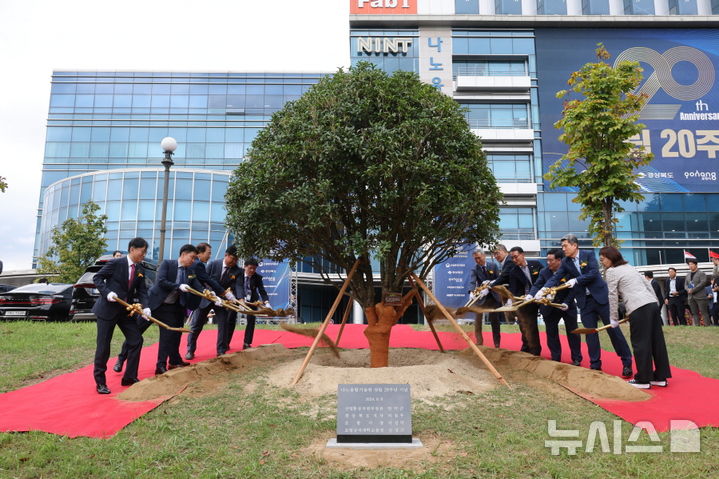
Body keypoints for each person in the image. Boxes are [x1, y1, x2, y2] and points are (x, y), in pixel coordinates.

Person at [537, 234, 633, 377]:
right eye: (562, 246)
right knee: (590, 333)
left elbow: (594, 273)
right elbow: (556, 277)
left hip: (601, 298)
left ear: (574, 245)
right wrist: (544, 289)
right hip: (585, 302)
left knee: (613, 330)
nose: (563, 249)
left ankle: (626, 363)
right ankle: (595, 365)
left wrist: (576, 280)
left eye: (565, 246)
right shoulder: (565, 262)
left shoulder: (588, 254)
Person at [600, 246, 671, 389]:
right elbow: (647, 285)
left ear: (612, 257)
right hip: (651, 305)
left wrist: (613, 318)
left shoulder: (611, 271)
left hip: (639, 307)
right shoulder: (629, 267)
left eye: (603, 258)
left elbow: (612, 295)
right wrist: (655, 303)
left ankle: (643, 380)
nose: (602, 261)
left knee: (640, 342)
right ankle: (660, 377)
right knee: (656, 341)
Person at [91, 237, 150, 394]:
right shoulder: (116, 263)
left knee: (136, 339)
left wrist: (146, 307)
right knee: (104, 346)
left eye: (145, 252)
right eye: (142, 252)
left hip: (125, 311)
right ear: (132, 249)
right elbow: (97, 278)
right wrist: (107, 293)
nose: (143, 255)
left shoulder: (140, 269)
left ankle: (129, 377)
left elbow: (142, 291)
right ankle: (100, 382)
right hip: (107, 309)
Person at [147, 244, 214, 375]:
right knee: (136, 332)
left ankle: (165, 364)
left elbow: (197, 286)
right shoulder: (167, 264)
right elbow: (161, 281)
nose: (193, 261)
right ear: (183, 255)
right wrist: (178, 286)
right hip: (155, 305)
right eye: (192, 257)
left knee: (170, 335)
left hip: (172, 307)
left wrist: (207, 292)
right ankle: (121, 359)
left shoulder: (190, 271)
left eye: (195, 258)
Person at [187, 245, 241, 358]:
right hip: (206, 298)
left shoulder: (237, 270)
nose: (234, 261)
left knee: (223, 324)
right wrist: (213, 295)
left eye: (237, 259)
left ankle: (221, 350)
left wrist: (238, 299)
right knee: (196, 325)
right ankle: (190, 350)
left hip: (222, 301)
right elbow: (205, 280)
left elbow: (238, 286)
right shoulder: (213, 264)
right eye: (233, 258)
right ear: (226, 255)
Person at [530, 249, 582, 366]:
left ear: (559, 260)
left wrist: (567, 302)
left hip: (566, 305)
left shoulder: (569, 271)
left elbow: (573, 289)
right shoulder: (544, 272)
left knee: (573, 332)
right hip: (549, 307)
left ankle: (577, 358)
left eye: (550, 260)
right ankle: (555, 357)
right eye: (547, 260)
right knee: (551, 333)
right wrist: (531, 295)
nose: (548, 262)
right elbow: (537, 285)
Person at [494, 246, 543, 355]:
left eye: (516, 257)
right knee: (527, 325)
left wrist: (542, 292)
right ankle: (531, 350)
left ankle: (534, 350)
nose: (514, 260)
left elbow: (544, 279)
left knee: (536, 325)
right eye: (512, 258)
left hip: (540, 298)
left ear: (522, 255)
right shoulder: (514, 271)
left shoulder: (536, 264)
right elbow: (514, 288)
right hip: (524, 301)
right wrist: (511, 300)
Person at [467, 249, 502, 348]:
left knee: (495, 320)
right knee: (477, 320)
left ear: (484, 256)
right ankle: (479, 342)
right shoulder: (474, 269)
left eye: (479, 258)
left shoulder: (493, 266)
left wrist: (489, 286)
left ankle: (497, 343)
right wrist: (471, 292)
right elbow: (472, 281)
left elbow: (499, 279)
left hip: (493, 297)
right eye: (475, 259)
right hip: (480, 298)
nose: (477, 260)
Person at [236, 258, 270, 350]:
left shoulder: (257, 277)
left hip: (252, 301)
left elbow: (262, 291)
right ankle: (225, 343)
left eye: (254, 269)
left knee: (251, 321)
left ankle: (247, 343)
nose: (252, 271)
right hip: (238, 299)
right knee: (230, 319)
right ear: (245, 267)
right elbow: (238, 286)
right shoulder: (238, 274)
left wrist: (266, 303)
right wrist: (241, 300)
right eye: (250, 268)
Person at [491, 243, 517, 325]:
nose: (495, 256)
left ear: (503, 251)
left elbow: (504, 277)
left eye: (497, 253)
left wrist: (490, 286)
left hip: (517, 292)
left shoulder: (509, 260)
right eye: (494, 254)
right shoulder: (505, 262)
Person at [686, 259, 712, 326]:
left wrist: (693, 289)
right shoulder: (688, 274)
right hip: (691, 296)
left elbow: (702, 283)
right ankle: (697, 326)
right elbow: (685, 284)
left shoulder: (701, 273)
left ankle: (707, 326)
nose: (690, 266)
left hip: (700, 296)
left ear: (696, 264)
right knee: (694, 313)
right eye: (689, 265)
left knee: (704, 312)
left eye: (691, 264)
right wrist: (688, 289)